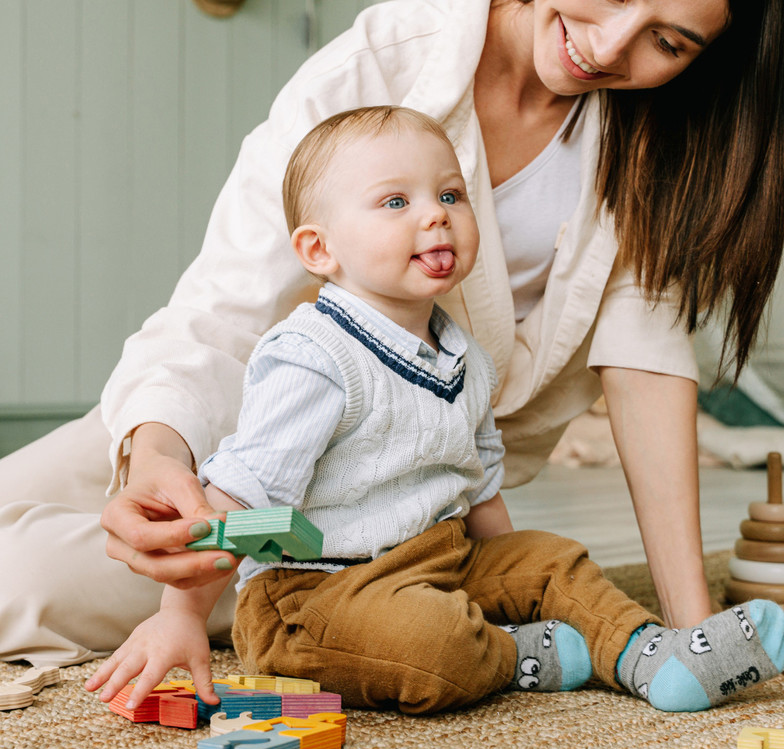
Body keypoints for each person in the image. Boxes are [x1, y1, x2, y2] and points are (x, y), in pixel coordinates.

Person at [2, 0, 784, 666]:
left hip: (376, 502)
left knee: (22, 581)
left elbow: (644, 365)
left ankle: (332, 592)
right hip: (239, 410)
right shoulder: (387, 61)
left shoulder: (662, 145)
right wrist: (158, 453)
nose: (611, 45)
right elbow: (222, 306)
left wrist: (692, 626)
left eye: (668, 41)